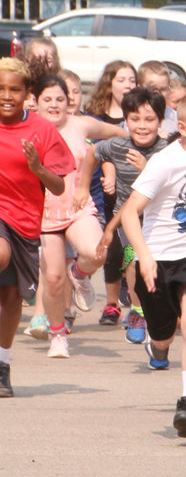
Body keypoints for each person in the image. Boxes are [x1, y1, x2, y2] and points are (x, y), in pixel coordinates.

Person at [116, 92, 186, 437]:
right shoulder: (164, 163)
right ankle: (159, 344)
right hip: (157, 258)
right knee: (163, 334)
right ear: (183, 128)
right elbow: (128, 215)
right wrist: (144, 257)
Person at [29, 76, 123, 356]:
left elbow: (118, 133)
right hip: (43, 214)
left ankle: (80, 275)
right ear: (36, 101)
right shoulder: (27, 128)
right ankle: (58, 335)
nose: (55, 105)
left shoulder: (80, 124)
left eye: (60, 99)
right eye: (48, 99)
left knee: (97, 252)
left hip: (77, 206)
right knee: (54, 278)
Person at [0, 58, 75, 397]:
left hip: (27, 221)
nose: (6, 96)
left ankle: (2, 366)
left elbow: (58, 187)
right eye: (0, 89)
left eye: (14, 89)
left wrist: (37, 167)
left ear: (27, 94)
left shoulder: (42, 130)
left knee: (12, 299)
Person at [95, 87, 176, 344]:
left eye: (149, 119)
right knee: (132, 260)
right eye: (135, 119)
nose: (142, 126)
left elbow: (171, 189)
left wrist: (147, 169)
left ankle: (162, 317)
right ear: (125, 120)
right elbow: (94, 152)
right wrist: (93, 183)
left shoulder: (168, 151)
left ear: (161, 121)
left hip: (162, 221)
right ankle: (138, 313)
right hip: (127, 219)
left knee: (160, 271)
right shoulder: (117, 145)